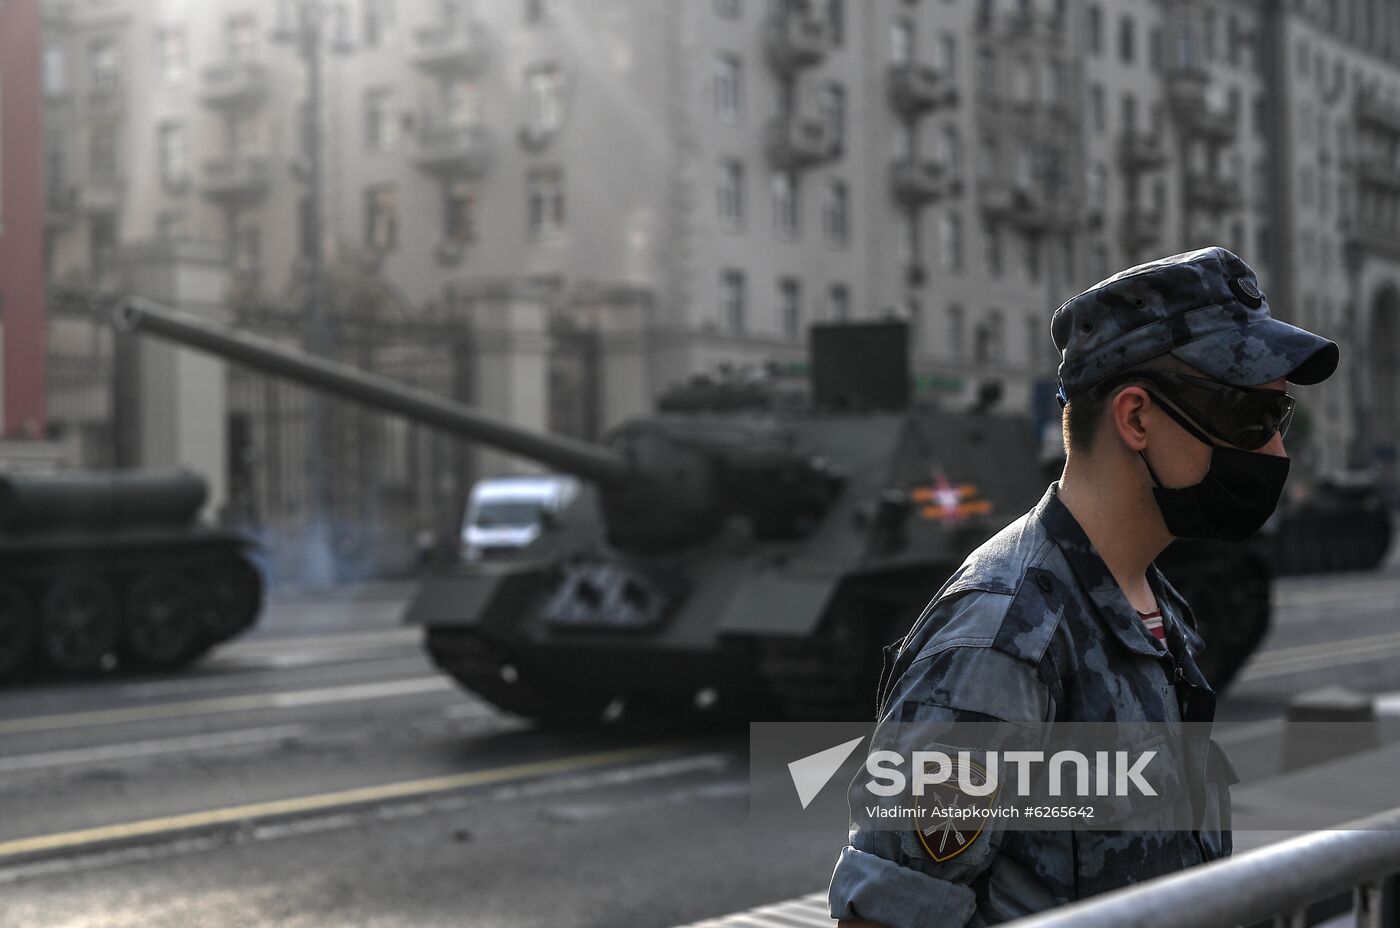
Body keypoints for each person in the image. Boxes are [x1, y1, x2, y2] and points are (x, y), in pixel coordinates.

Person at [827, 246, 1339, 927]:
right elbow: (885, 916)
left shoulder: (1154, 602)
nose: (1276, 453)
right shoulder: (1005, 638)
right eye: (1250, 419)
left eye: (1280, 421)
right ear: (1135, 419)